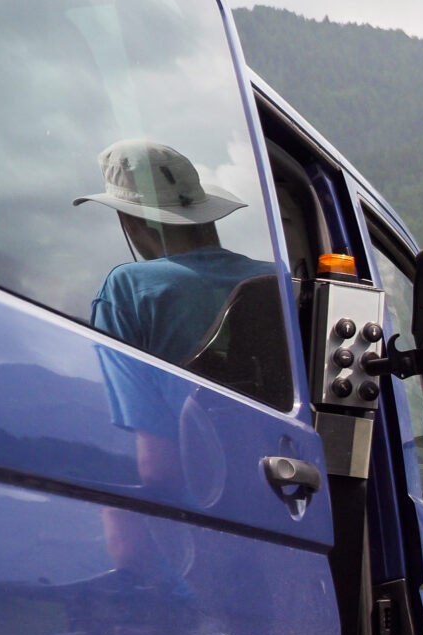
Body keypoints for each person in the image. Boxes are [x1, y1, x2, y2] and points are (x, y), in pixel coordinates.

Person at [75, 139, 275, 583]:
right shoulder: (279, 281)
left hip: (196, 539)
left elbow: (149, 465)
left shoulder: (128, 289)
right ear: (204, 213)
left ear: (129, 221)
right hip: (285, 509)